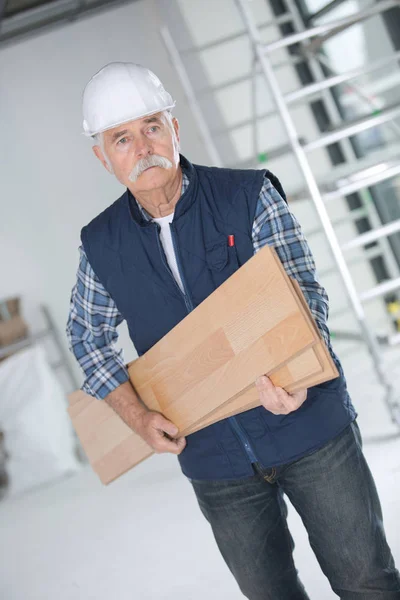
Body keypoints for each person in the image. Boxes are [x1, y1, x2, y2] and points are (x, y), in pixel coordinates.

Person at [66, 62, 400, 600]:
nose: (142, 146)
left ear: (175, 128)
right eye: (121, 139)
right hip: (213, 458)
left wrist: (297, 379)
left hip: (310, 429)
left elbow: (303, 296)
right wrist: (137, 417)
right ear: (102, 157)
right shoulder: (100, 244)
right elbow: (86, 337)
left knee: (367, 583)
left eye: (152, 126)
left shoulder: (247, 194)